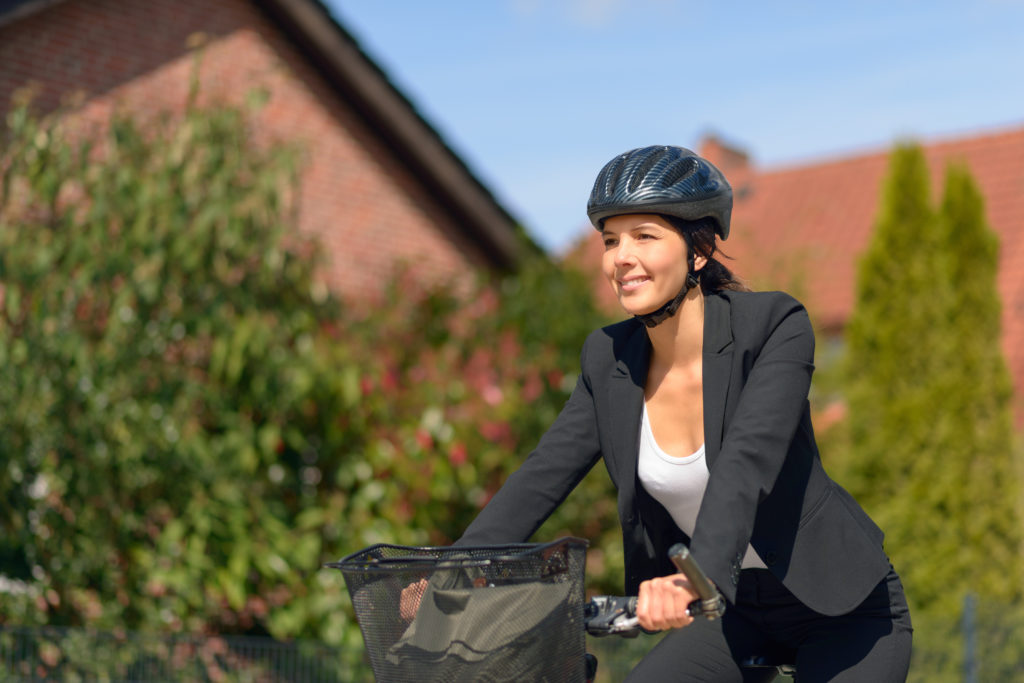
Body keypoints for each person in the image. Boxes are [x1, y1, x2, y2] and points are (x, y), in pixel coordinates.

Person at [453, 145, 913, 681]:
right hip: (734, 610)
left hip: (843, 611)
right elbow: (543, 474)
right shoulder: (609, 359)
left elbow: (746, 462)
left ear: (698, 251)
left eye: (643, 236)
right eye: (609, 240)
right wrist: (454, 571)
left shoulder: (772, 326)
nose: (620, 257)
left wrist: (697, 578)